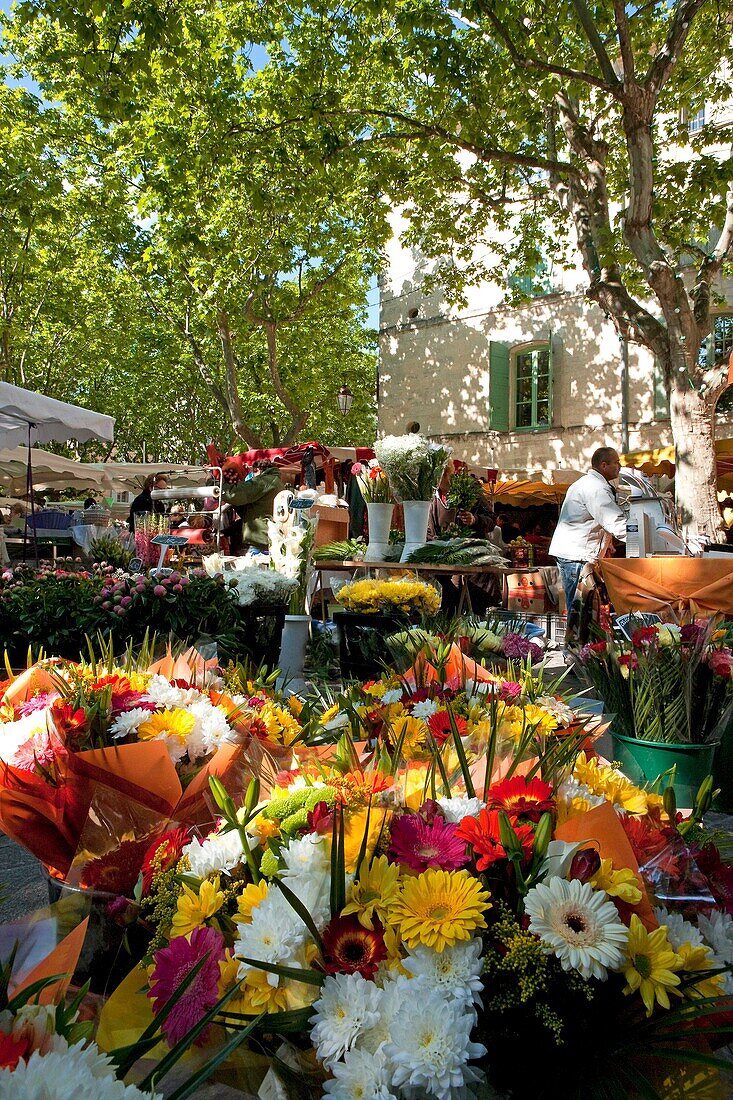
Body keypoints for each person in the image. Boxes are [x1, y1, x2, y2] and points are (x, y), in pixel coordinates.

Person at [548, 446, 627, 637]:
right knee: (579, 608)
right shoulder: (595, 488)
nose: (619, 466)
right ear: (603, 465)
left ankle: (581, 650)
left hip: (575, 552)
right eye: (616, 462)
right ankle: (575, 654)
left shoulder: (589, 484)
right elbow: (613, 521)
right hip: (576, 554)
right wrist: (637, 537)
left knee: (583, 608)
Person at [227, 460, 286, 552]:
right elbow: (248, 509)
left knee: (258, 565)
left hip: (261, 539)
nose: (252, 478)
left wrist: (214, 484)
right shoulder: (276, 481)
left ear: (258, 470)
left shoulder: (264, 481)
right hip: (268, 537)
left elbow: (235, 494)